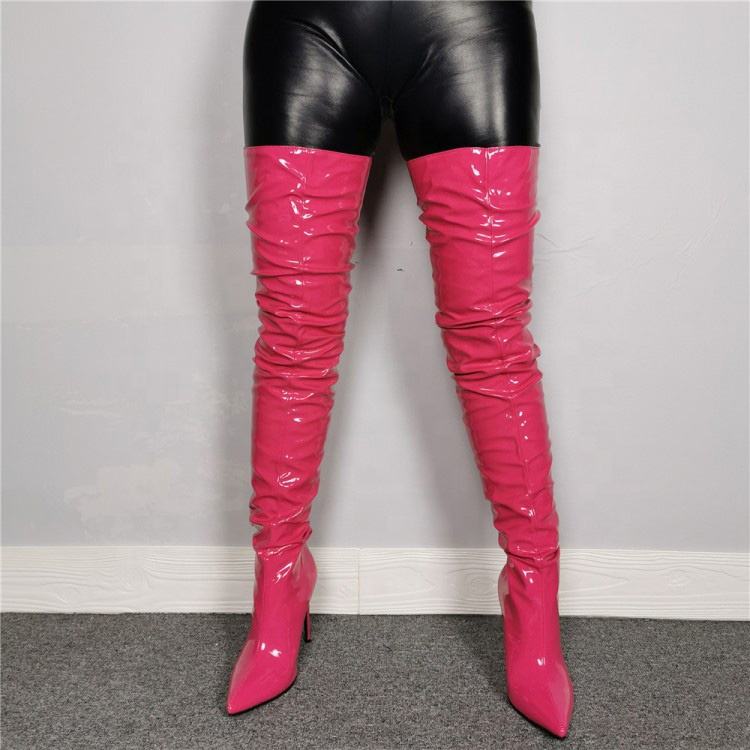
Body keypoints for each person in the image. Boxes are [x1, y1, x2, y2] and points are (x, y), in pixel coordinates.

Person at [226, 1, 574, 738]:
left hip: (470, 23)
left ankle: (533, 602)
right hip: (304, 24)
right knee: (294, 336)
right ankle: (279, 586)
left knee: (492, 337)